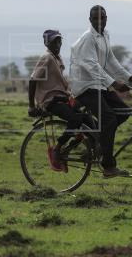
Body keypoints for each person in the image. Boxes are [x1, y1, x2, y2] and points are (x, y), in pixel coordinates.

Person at [69, 5, 132, 178]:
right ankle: (108, 166)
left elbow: (110, 60)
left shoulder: (105, 35)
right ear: (90, 20)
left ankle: (98, 140)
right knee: (109, 118)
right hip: (86, 86)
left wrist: (129, 78)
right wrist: (114, 84)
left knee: (124, 112)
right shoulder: (88, 38)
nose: (100, 21)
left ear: (106, 18)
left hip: (99, 85)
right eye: (96, 18)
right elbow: (91, 66)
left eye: (102, 18)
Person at [28, 29, 86, 172]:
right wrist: (31, 106)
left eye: (59, 41)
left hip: (61, 98)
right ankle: (58, 149)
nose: (58, 44)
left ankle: (80, 146)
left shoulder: (56, 57)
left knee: (88, 120)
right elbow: (32, 80)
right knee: (76, 119)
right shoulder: (47, 57)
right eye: (54, 41)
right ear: (47, 43)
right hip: (51, 101)